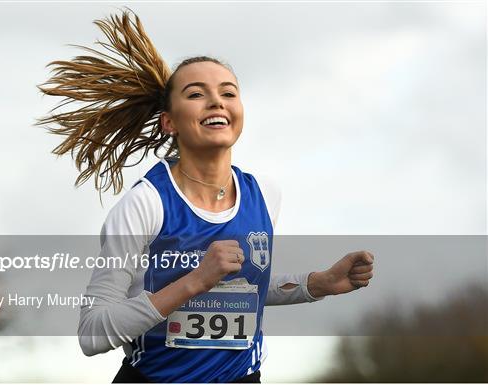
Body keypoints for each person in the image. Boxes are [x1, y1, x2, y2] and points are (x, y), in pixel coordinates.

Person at [37, 9, 375, 383]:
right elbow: (92, 333)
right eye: (196, 94)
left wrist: (317, 284)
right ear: (169, 122)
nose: (216, 102)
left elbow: (238, 291)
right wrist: (194, 280)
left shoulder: (264, 194)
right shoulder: (146, 203)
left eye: (228, 93)